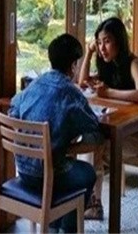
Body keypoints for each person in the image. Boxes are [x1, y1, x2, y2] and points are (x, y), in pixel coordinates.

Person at [9, 34, 102, 233]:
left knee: (65, 168)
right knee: (87, 173)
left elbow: (13, 109)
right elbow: (93, 128)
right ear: (73, 65)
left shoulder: (34, 84)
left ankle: (53, 226)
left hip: (24, 171)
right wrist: (70, 148)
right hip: (47, 176)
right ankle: (67, 229)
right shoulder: (70, 93)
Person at [78, 16, 138, 220]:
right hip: (124, 128)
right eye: (99, 42)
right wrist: (89, 52)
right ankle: (90, 201)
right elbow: (82, 82)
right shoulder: (107, 65)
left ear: (119, 41)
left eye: (107, 41)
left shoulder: (135, 63)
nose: (102, 47)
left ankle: (92, 204)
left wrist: (108, 92)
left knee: (95, 148)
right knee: (91, 144)